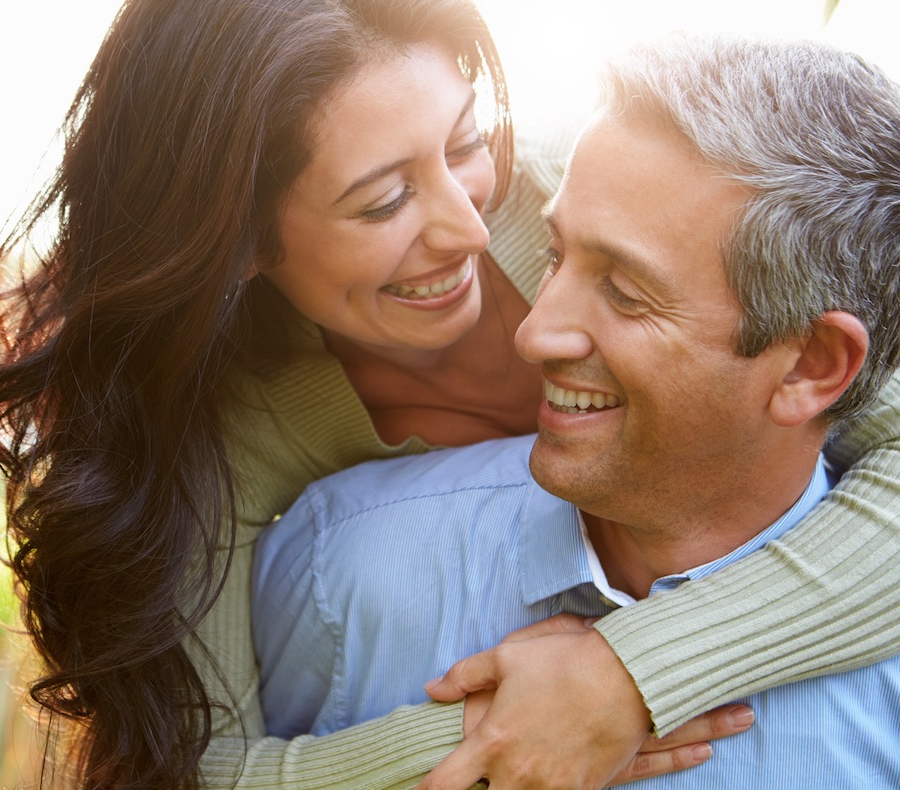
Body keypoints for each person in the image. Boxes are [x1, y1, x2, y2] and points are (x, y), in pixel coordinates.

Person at [0, 0, 899, 784]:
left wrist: (634, 675)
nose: (469, 226)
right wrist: (494, 739)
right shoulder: (223, 434)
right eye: (381, 203)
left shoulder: (615, 193)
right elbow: (189, 767)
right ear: (240, 240)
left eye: (463, 144)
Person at [254, 34, 900, 787]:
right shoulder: (337, 569)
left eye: (625, 292)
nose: (532, 332)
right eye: (555, 256)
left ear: (811, 365)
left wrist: (638, 671)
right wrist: (472, 746)